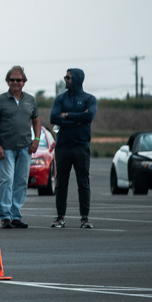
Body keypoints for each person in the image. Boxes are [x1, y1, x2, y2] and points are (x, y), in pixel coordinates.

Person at [0, 66, 40, 229]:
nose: (15, 82)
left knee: (21, 181)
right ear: (7, 81)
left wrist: (36, 139)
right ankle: (5, 216)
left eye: (18, 80)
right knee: (6, 180)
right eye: (12, 80)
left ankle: (16, 214)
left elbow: (37, 121)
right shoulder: (0, 100)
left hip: (26, 148)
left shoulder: (30, 100)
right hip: (6, 149)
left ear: (24, 82)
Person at [49, 68, 97, 229]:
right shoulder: (60, 98)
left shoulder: (89, 99)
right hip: (63, 147)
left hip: (81, 146)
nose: (66, 80)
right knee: (61, 183)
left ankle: (85, 218)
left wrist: (67, 115)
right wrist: (77, 120)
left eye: (68, 77)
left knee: (83, 183)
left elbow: (89, 116)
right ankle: (60, 217)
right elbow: (54, 117)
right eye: (65, 77)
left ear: (77, 79)